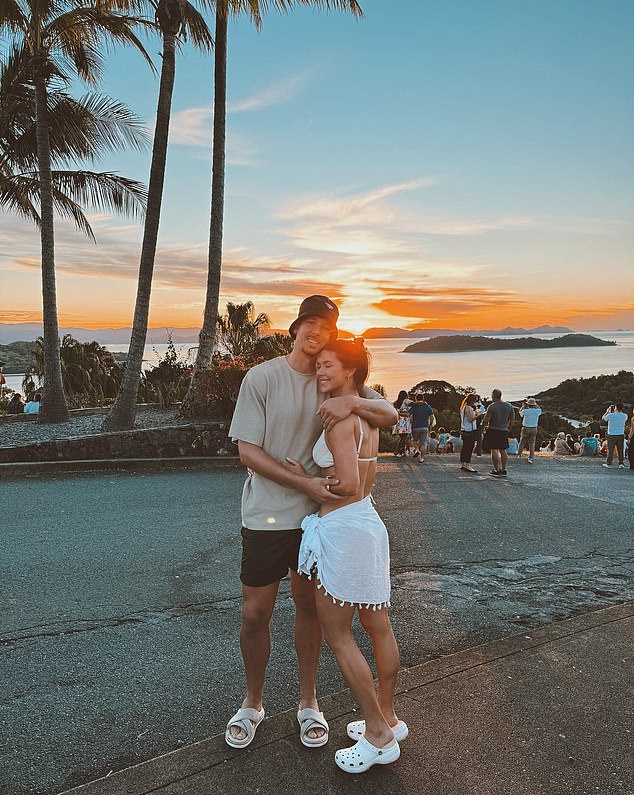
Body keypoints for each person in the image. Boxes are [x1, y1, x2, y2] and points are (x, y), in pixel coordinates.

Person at [225, 295, 397, 751]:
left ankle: (308, 703)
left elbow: (390, 415)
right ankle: (253, 702)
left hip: (318, 523)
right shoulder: (262, 377)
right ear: (295, 328)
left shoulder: (335, 376)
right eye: (310, 323)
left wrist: (352, 405)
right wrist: (306, 485)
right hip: (266, 514)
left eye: (326, 326)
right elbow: (247, 451)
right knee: (254, 613)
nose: (317, 332)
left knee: (309, 611)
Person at [294, 338, 403, 773]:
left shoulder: (341, 419)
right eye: (317, 366)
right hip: (367, 523)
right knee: (377, 625)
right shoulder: (363, 413)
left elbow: (348, 485)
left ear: (350, 371)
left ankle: (378, 735)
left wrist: (308, 479)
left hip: (343, 527)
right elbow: (362, 480)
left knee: (338, 635)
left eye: (327, 365)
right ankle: (389, 716)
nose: (320, 372)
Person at [483, 388, 515, 477]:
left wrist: (485, 424)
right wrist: (509, 428)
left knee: (494, 450)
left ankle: (496, 469)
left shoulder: (492, 407)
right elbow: (512, 419)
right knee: (503, 450)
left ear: (494, 396)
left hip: (493, 430)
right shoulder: (509, 406)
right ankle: (504, 469)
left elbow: (486, 419)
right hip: (504, 430)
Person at [602, 403, 628, 468]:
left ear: (615, 407)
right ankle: (621, 463)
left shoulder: (610, 415)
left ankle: (608, 463)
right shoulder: (625, 415)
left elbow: (603, 419)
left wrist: (607, 412)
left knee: (610, 449)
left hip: (611, 434)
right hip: (620, 434)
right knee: (620, 450)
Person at [458, 393, 480, 472]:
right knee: (469, 448)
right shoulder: (468, 408)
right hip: (469, 431)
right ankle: (467, 464)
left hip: (465, 430)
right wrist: (478, 415)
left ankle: (463, 464)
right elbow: (470, 419)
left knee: (465, 448)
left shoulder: (463, 407)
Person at [409, 393, 434, 461]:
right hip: (425, 427)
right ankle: (421, 458)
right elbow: (432, 417)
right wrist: (430, 425)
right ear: (423, 398)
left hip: (415, 427)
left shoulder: (414, 407)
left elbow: (408, 414)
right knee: (423, 443)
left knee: (414, 441)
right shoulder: (428, 407)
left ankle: (417, 450)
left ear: (416, 399)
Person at [517, 397, 542, 463]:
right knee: (532, 444)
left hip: (526, 428)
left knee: (522, 442)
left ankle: (519, 455)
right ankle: (531, 457)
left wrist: (523, 406)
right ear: (534, 405)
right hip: (534, 428)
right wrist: (535, 404)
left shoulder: (525, 411)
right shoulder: (537, 411)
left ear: (528, 404)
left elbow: (520, 413)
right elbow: (540, 409)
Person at [391, 390, 412, 457]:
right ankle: (397, 451)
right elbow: (409, 413)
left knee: (402, 437)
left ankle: (402, 452)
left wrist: (399, 413)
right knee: (404, 438)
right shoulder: (406, 402)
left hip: (398, 422)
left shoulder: (395, 403)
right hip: (405, 422)